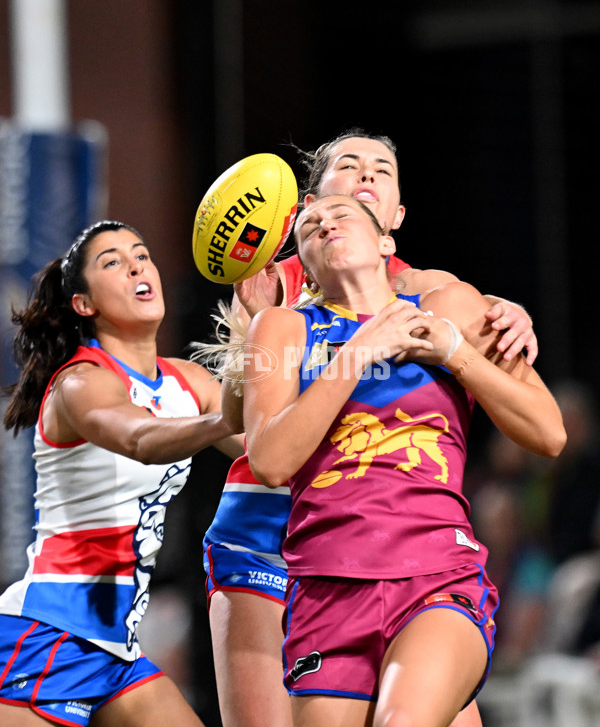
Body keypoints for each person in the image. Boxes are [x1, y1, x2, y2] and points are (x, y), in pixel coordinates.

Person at [202, 130, 539, 727]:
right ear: (306, 202)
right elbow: (244, 433)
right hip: (271, 525)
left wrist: (508, 321)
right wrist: (248, 332)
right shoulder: (270, 293)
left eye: (381, 171)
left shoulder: (435, 293)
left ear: (395, 218)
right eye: (347, 167)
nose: (365, 177)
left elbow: (540, 421)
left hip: (406, 539)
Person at [0, 221, 244, 727]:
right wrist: (227, 416)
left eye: (142, 254)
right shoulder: (80, 383)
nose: (136, 265)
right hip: (44, 636)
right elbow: (141, 440)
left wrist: (265, 323)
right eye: (112, 261)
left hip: (117, 653)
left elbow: (270, 452)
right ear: (84, 304)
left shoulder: (188, 382)